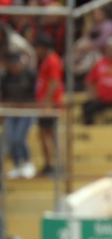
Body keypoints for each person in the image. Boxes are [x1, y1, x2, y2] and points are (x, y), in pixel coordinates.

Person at [1, 52, 37, 180]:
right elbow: (3, 95)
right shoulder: (6, 77)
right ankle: (17, 165)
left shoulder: (29, 74)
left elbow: (36, 92)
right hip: (11, 112)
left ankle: (27, 163)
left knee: (19, 138)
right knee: (10, 139)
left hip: (26, 111)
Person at [33, 36, 62, 176]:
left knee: (49, 134)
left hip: (49, 105)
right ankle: (49, 164)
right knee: (44, 134)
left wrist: (47, 100)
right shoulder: (46, 60)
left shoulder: (52, 60)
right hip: (44, 104)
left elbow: (54, 81)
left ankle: (54, 164)